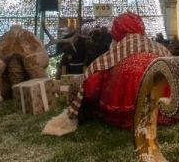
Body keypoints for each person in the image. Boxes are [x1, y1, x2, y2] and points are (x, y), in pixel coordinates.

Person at [43, 13, 171, 135]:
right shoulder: (161, 49)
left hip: (125, 115)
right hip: (164, 110)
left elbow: (91, 89)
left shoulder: (113, 55)